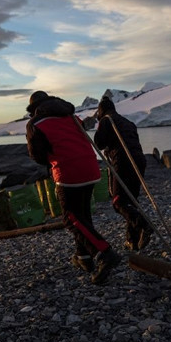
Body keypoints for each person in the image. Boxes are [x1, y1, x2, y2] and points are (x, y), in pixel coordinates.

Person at [25, 91, 122, 284]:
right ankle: (83, 257)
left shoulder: (35, 124)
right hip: (91, 169)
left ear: (33, 108)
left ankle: (104, 252)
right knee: (82, 216)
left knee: (71, 218)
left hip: (68, 174)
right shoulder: (72, 116)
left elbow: (37, 155)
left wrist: (52, 159)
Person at [93, 96, 154, 252]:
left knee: (118, 201)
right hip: (139, 161)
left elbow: (99, 143)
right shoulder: (128, 122)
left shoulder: (106, 120)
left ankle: (144, 224)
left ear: (101, 110)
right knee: (131, 201)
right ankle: (132, 241)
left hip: (123, 162)